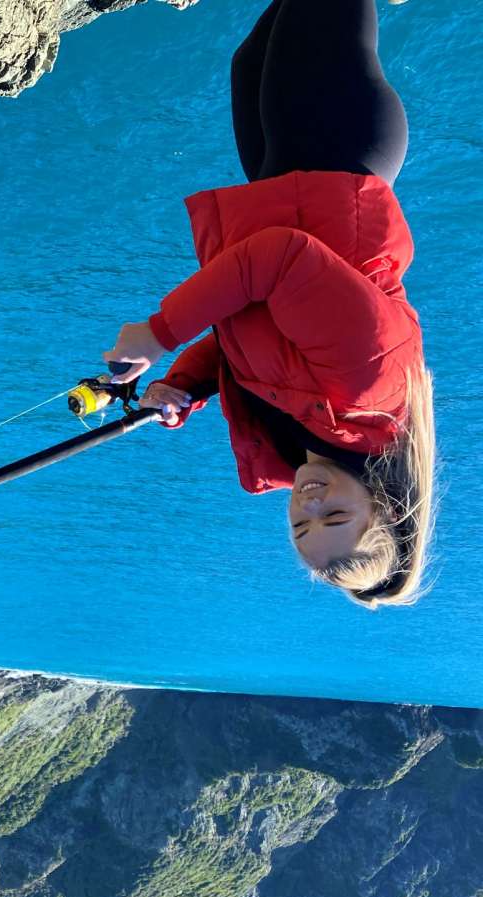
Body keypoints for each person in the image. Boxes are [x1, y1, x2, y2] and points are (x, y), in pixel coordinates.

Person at [101, 0, 435, 608]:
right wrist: (158, 332)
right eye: (334, 515)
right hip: (340, 152)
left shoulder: (287, 447)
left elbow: (248, 340)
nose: (309, 506)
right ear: (381, 504)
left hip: (283, 182)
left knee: (251, 59)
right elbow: (283, 259)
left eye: (301, 527)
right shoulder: (369, 390)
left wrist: (180, 389)